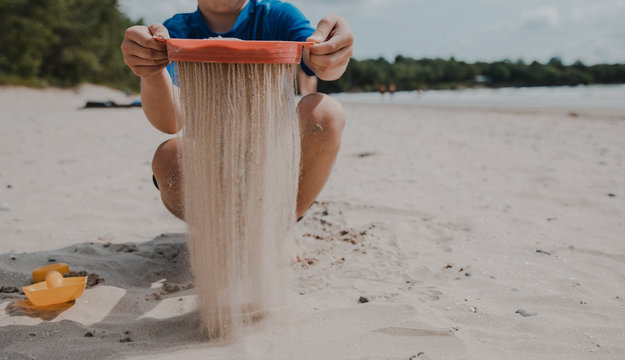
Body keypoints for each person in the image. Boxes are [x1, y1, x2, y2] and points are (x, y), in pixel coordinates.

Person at [120, 0, 353, 221]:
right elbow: (170, 122)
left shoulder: (277, 16)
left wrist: (333, 53)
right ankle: (218, 236)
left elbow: (317, 58)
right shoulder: (176, 31)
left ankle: (280, 229)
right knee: (169, 158)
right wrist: (150, 70)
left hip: (276, 165)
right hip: (209, 169)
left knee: (326, 115)